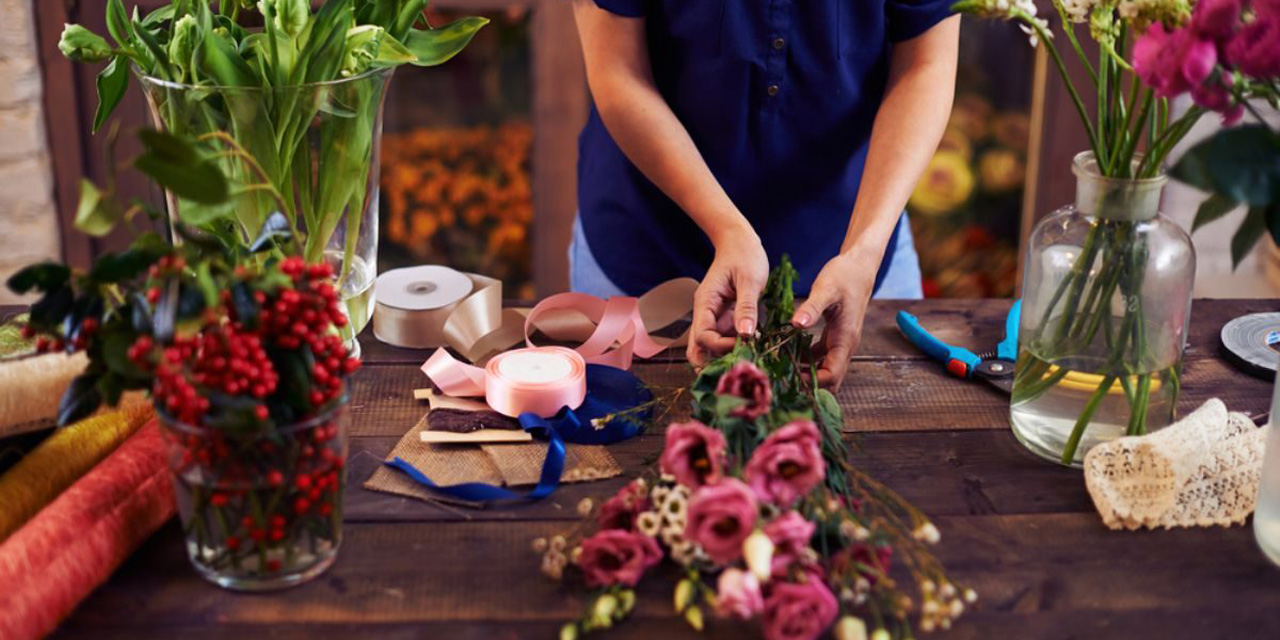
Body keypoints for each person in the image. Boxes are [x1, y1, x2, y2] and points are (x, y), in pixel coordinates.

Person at [567, 0, 959, 387]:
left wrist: (863, 251)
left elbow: (926, 64)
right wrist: (726, 229)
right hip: (648, 244)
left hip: (857, 240)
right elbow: (618, 69)